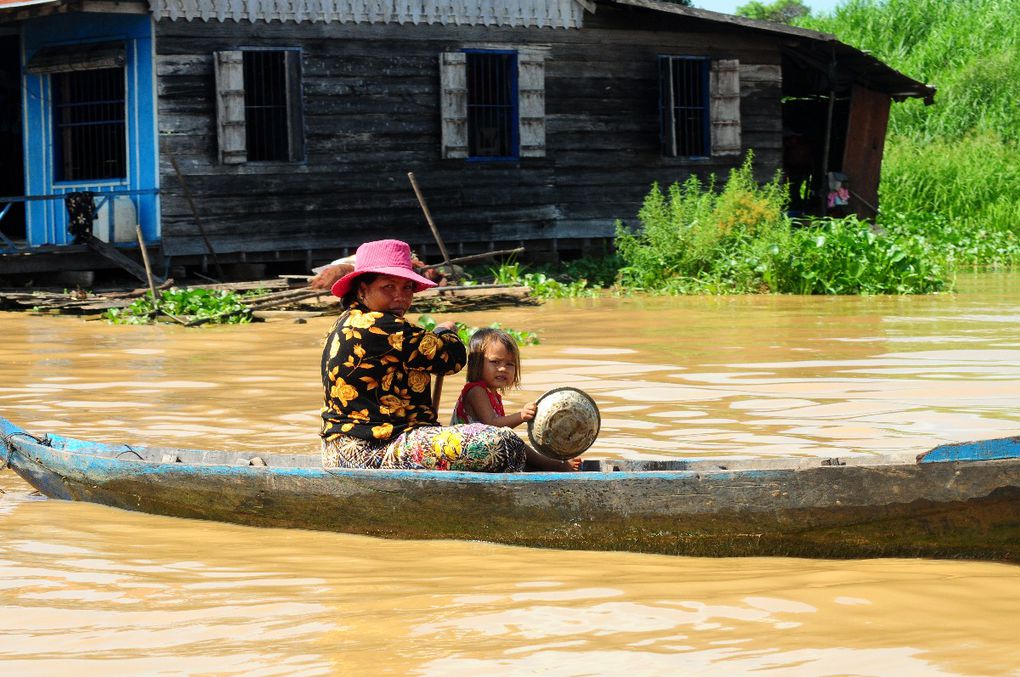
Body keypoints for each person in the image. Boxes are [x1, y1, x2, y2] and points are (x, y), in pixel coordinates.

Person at [320, 239, 526, 472]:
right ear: (362, 290)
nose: (401, 296)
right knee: (500, 443)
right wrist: (445, 332)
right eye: (388, 287)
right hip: (371, 450)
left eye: (407, 287)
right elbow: (452, 357)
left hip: (345, 449)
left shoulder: (347, 321)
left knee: (493, 438)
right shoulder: (382, 326)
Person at [451, 328, 581, 471]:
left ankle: (544, 465)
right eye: (495, 362)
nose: (502, 369)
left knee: (513, 443)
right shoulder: (476, 391)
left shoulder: (493, 395)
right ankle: (554, 465)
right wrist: (521, 416)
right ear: (477, 363)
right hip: (465, 453)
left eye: (509, 364)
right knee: (514, 442)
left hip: (483, 450)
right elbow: (492, 424)